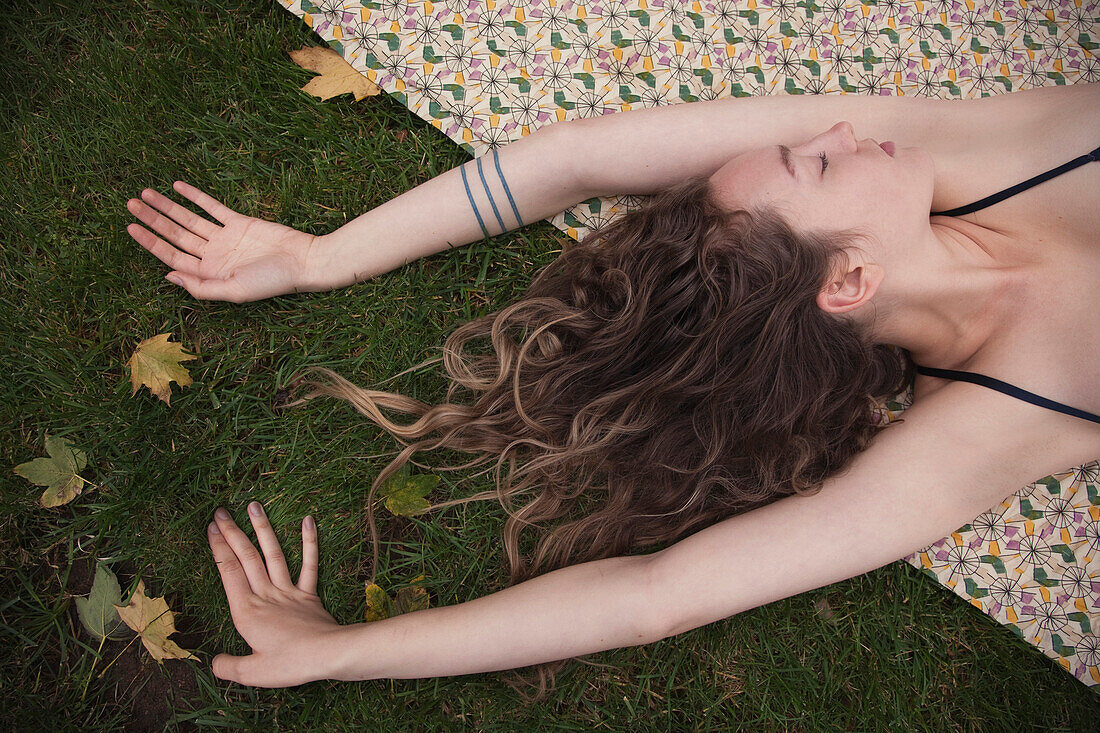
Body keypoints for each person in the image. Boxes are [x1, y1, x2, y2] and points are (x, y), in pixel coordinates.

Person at [125, 81, 1100, 690]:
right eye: (817, 159)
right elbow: (655, 594)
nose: (843, 122)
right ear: (847, 283)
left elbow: (581, 158)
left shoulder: (960, 156)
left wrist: (323, 256)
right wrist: (338, 650)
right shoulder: (983, 426)